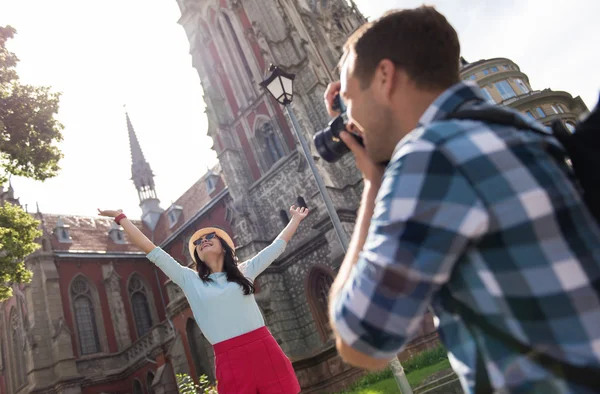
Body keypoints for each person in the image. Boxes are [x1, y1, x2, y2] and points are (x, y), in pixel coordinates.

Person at [325, 6, 600, 394]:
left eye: (350, 98)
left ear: (385, 77)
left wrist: (373, 185)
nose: (351, 122)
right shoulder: (519, 130)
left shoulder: (432, 155)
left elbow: (361, 341)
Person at [97, 205, 308, 394]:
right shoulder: (189, 280)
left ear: (224, 247)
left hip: (265, 350)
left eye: (209, 237)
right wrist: (121, 217)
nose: (202, 241)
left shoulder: (245, 271)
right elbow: (151, 250)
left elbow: (277, 246)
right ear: (197, 254)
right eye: (198, 242)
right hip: (229, 360)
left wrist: (295, 220)